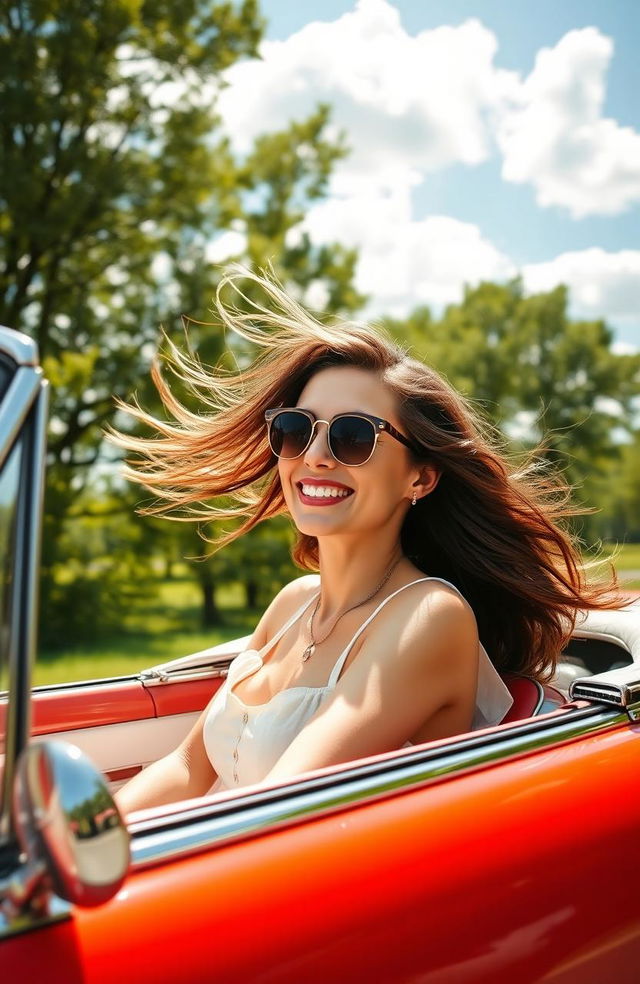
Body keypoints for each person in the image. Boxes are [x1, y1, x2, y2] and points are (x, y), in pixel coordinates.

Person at [113, 267, 618, 813]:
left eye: (353, 436)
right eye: (296, 429)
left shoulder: (430, 615)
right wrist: (74, 850)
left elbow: (272, 810)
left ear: (420, 478)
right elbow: (187, 768)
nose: (315, 455)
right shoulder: (291, 603)